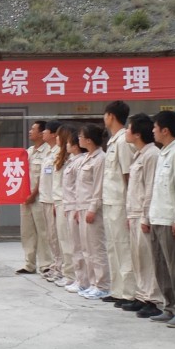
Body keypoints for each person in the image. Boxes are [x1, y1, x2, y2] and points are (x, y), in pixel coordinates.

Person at [146, 111, 175, 328]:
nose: (153, 131)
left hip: (171, 220)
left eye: (155, 127)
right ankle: (170, 306)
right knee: (161, 267)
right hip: (158, 217)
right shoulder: (163, 153)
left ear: (165, 130)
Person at [121, 114, 164, 319]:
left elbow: (150, 188)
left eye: (129, 128)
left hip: (143, 214)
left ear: (137, 134)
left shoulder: (152, 155)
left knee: (148, 258)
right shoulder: (139, 154)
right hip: (134, 212)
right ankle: (141, 294)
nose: (126, 132)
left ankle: (153, 299)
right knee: (138, 257)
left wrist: (146, 217)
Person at [102, 101, 136, 305]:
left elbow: (128, 175)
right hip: (109, 201)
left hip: (120, 202)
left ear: (111, 116)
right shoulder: (113, 141)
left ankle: (129, 292)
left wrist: (129, 205)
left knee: (123, 247)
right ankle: (117, 290)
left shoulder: (123, 141)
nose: (104, 118)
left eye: (105, 114)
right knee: (112, 247)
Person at [73, 124, 110, 299]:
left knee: (97, 248)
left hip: (91, 209)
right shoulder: (86, 158)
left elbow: (98, 186)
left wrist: (93, 208)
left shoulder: (100, 158)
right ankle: (92, 282)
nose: (78, 139)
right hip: (82, 206)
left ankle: (102, 285)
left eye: (81, 136)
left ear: (88, 140)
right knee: (86, 248)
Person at [17, 120, 48, 275]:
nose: (30, 131)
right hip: (25, 198)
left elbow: (43, 177)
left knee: (43, 231)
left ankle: (46, 264)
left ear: (42, 133)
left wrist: (33, 194)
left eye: (33, 129)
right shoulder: (28, 151)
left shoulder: (48, 152)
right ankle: (29, 264)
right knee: (27, 231)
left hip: (39, 198)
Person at [51, 124, 78, 288]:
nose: (56, 138)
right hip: (59, 201)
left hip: (67, 202)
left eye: (58, 135)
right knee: (62, 240)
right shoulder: (60, 156)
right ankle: (67, 273)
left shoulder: (71, 159)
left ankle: (71, 275)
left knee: (68, 241)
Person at [61, 134, 86, 292]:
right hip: (69, 206)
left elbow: (79, 188)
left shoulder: (80, 162)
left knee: (79, 246)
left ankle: (82, 280)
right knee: (74, 245)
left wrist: (77, 207)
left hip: (76, 207)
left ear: (76, 146)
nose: (67, 145)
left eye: (69, 143)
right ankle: (79, 278)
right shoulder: (72, 161)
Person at [38, 121, 62, 282]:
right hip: (45, 198)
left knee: (56, 236)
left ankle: (61, 268)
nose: (43, 133)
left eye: (45, 131)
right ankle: (55, 265)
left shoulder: (59, 153)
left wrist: (54, 200)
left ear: (53, 134)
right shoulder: (48, 151)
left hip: (53, 199)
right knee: (51, 236)